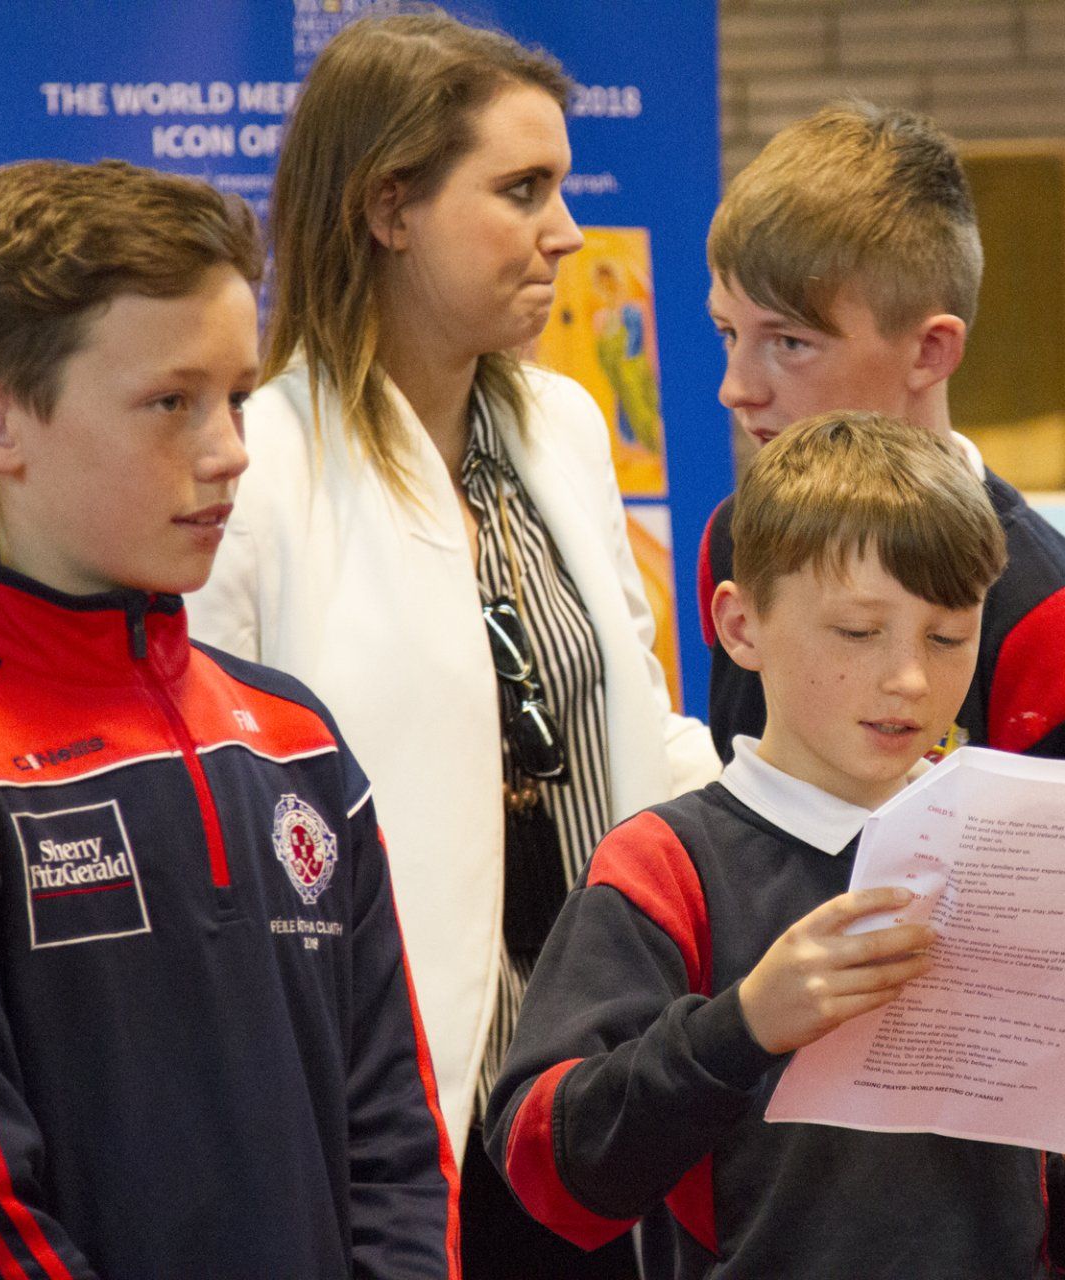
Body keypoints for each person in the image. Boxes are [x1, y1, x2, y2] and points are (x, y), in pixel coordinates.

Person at [187, 13, 719, 1276]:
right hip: (393, 1097)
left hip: (607, 1071)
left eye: (565, 187)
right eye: (522, 189)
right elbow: (214, 834)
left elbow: (636, 720)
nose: (568, 231)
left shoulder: (568, 425)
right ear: (388, 207)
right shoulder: (259, 471)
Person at [696, 100, 1065, 1279]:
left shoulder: (1051, 615)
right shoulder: (740, 543)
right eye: (725, 334)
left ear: (930, 350)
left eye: (787, 342)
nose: (739, 385)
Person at [0, 159, 456, 1277]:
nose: (229, 451)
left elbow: (397, 1140)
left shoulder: (297, 739)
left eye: (238, 396)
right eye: (171, 402)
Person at [488, 411, 1065, 1278]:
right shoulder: (667, 866)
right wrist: (741, 1028)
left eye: (949, 636)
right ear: (740, 628)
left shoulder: (1023, 848)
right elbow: (548, 1171)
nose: (909, 678)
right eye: (858, 632)